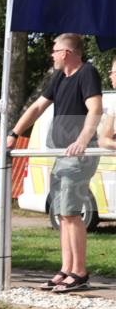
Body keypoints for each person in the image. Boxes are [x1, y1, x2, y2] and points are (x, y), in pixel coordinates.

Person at [6, 34, 103, 293]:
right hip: (61, 154)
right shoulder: (59, 77)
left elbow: (95, 109)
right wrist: (14, 134)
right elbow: (37, 107)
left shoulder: (87, 72)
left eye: (54, 50)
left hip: (78, 155)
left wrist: (82, 140)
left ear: (66, 53)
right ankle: (66, 269)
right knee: (61, 213)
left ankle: (79, 273)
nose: (51, 54)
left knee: (71, 213)